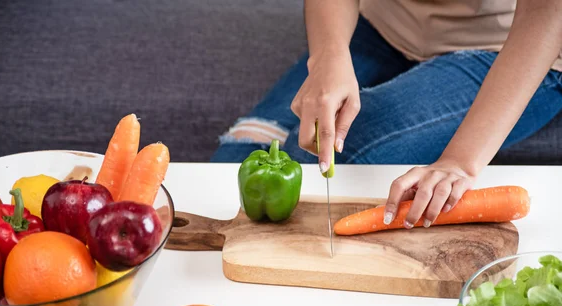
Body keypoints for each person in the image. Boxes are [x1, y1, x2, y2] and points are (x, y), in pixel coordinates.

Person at [211, 0, 562, 228]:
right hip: (383, 23)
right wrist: (328, 55)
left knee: (334, 152)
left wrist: (460, 162)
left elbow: (548, 10)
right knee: (239, 154)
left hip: (505, 45)